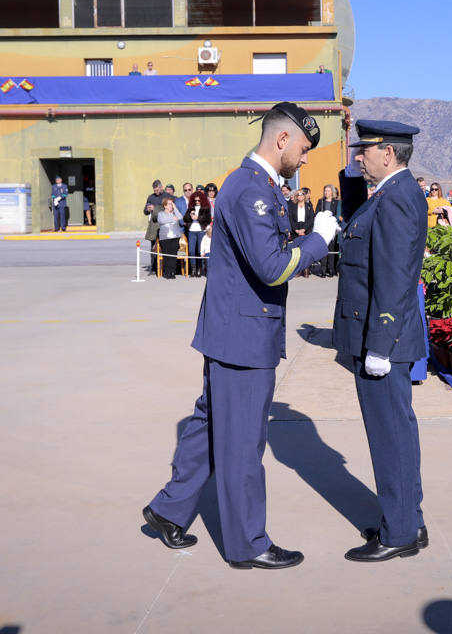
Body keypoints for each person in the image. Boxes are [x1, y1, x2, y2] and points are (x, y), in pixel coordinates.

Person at [142, 101, 337, 570]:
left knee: (210, 426)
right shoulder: (251, 190)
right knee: (243, 443)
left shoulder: (256, 186)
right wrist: (318, 240)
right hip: (244, 336)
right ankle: (248, 543)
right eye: (305, 148)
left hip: (233, 329)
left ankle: (169, 509)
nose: (307, 158)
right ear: (283, 140)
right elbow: (272, 267)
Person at [333, 119, 428, 563]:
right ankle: (408, 518)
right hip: (385, 337)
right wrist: (351, 177)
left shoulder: (396, 201)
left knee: (390, 436)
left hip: (384, 341)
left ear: (387, 153)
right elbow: (356, 220)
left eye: (364, 151)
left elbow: (393, 278)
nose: (358, 157)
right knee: (398, 433)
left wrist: (379, 345)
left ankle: (398, 534)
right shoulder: (392, 193)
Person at [315, 184, 342, 277]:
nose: (326, 192)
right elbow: (317, 213)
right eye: (325, 191)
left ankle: (331, 269)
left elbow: (337, 214)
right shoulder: (321, 201)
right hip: (323, 228)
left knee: (331, 249)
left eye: (328, 191)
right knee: (323, 248)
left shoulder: (337, 202)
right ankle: (323, 269)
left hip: (332, 228)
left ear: (332, 192)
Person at [183, 191, 212, 277]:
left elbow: (208, 220)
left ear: (202, 200)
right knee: (191, 251)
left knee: (200, 251)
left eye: (198, 200)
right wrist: (190, 215)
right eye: (195, 200)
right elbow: (185, 219)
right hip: (191, 231)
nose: (197, 202)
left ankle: (200, 269)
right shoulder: (190, 208)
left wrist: (198, 218)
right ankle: (193, 269)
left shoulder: (205, 208)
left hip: (201, 231)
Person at [155, 196, 183, 279]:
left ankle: (172, 272)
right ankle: (167, 272)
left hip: (175, 236)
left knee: (173, 255)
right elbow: (161, 221)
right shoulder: (161, 214)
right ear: (165, 205)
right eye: (170, 204)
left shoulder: (175, 213)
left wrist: (175, 208)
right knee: (167, 255)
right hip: (165, 237)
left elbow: (180, 217)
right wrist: (172, 218)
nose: (171, 205)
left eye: (172, 204)